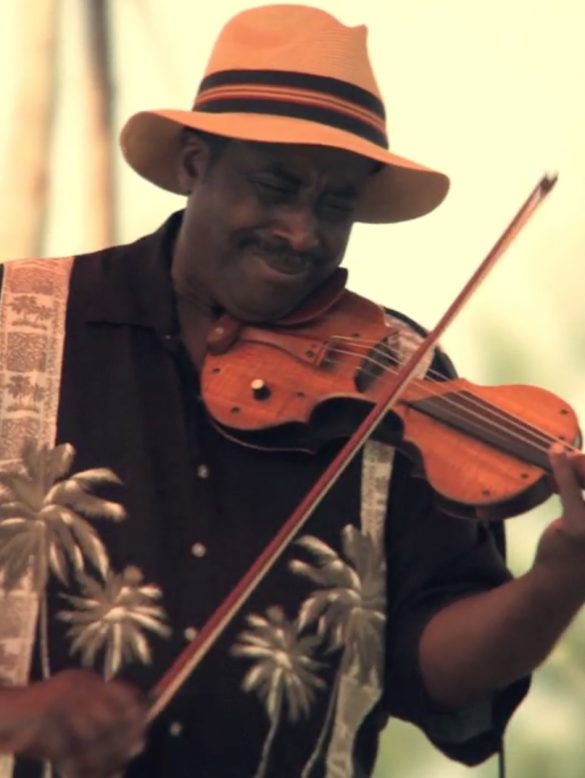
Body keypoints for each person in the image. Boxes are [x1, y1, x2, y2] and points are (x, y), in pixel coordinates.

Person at [0, 5, 584, 778]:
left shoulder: (408, 378)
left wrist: (560, 578)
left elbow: (435, 671)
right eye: (275, 187)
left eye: (335, 204)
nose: (303, 234)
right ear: (193, 164)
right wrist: (16, 712)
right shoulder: (17, 324)